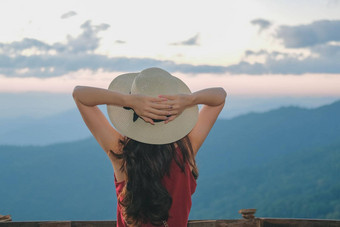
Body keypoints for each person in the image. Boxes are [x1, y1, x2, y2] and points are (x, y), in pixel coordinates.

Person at [72, 67, 226, 227]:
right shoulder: (186, 151)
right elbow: (220, 96)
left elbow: (80, 95)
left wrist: (129, 101)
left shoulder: (122, 153)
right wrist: (189, 100)